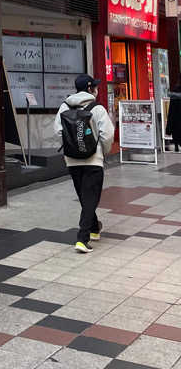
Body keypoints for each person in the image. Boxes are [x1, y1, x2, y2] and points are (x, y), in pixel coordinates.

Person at [53, 74, 114, 254]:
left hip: (72, 161)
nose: (96, 89)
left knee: (84, 196)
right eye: (94, 86)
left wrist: (71, 146)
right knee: (90, 197)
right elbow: (107, 135)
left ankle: (94, 228)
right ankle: (83, 238)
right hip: (93, 160)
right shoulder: (97, 108)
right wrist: (102, 150)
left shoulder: (64, 107)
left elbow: (58, 131)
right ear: (89, 89)